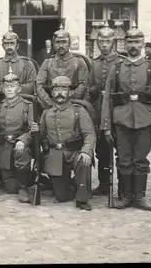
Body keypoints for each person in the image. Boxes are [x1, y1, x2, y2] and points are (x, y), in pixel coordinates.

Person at [100, 23, 151, 211]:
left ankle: (140, 196)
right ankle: (126, 195)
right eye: (129, 41)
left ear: (143, 43)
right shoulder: (117, 68)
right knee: (123, 158)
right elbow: (107, 98)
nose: (133, 45)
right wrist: (106, 124)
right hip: (121, 119)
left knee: (140, 159)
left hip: (145, 119)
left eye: (137, 41)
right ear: (124, 43)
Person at [40, 75, 96, 211]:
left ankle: (82, 199)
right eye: (56, 90)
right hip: (56, 155)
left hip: (75, 152)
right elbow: (39, 136)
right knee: (61, 196)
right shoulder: (46, 113)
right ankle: (69, 184)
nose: (59, 93)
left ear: (70, 92)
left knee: (83, 161)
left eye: (64, 89)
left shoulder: (79, 110)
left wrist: (86, 151)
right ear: (52, 93)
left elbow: (89, 134)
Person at [86, 21, 126, 197]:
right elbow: (90, 88)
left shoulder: (121, 62)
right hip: (99, 111)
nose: (104, 45)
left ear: (114, 42)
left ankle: (124, 187)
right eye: (100, 41)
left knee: (120, 149)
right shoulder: (94, 64)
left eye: (107, 41)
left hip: (117, 111)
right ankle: (104, 183)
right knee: (102, 149)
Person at [0, 68, 37, 203]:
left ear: (19, 89)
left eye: (13, 86)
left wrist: (23, 140)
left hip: (20, 147)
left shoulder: (27, 106)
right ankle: (24, 179)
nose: (9, 89)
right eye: (6, 87)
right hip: (4, 148)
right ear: (2, 90)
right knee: (9, 188)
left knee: (22, 153)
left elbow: (33, 129)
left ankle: (24, 186)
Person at [36, 25, 90, 110]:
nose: (60, 45)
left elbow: (83, 84)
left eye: (64, 42)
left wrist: (68, 100)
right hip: (51, 106)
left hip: (74, 104)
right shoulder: (48, 62)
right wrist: (49, 103)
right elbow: (39, 85)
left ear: (69, 43)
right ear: (53, 44)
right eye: (57, 42)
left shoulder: (79, 62)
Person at [0, 27, 37, 99]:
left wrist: (14, 89)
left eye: (12, 43)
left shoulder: (27, 64)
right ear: (2, 46)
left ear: (17, 45)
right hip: (0, 103)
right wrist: (0, 89)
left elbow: (32, 86)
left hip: (22, 102)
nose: (9, 46)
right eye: (6, 44)